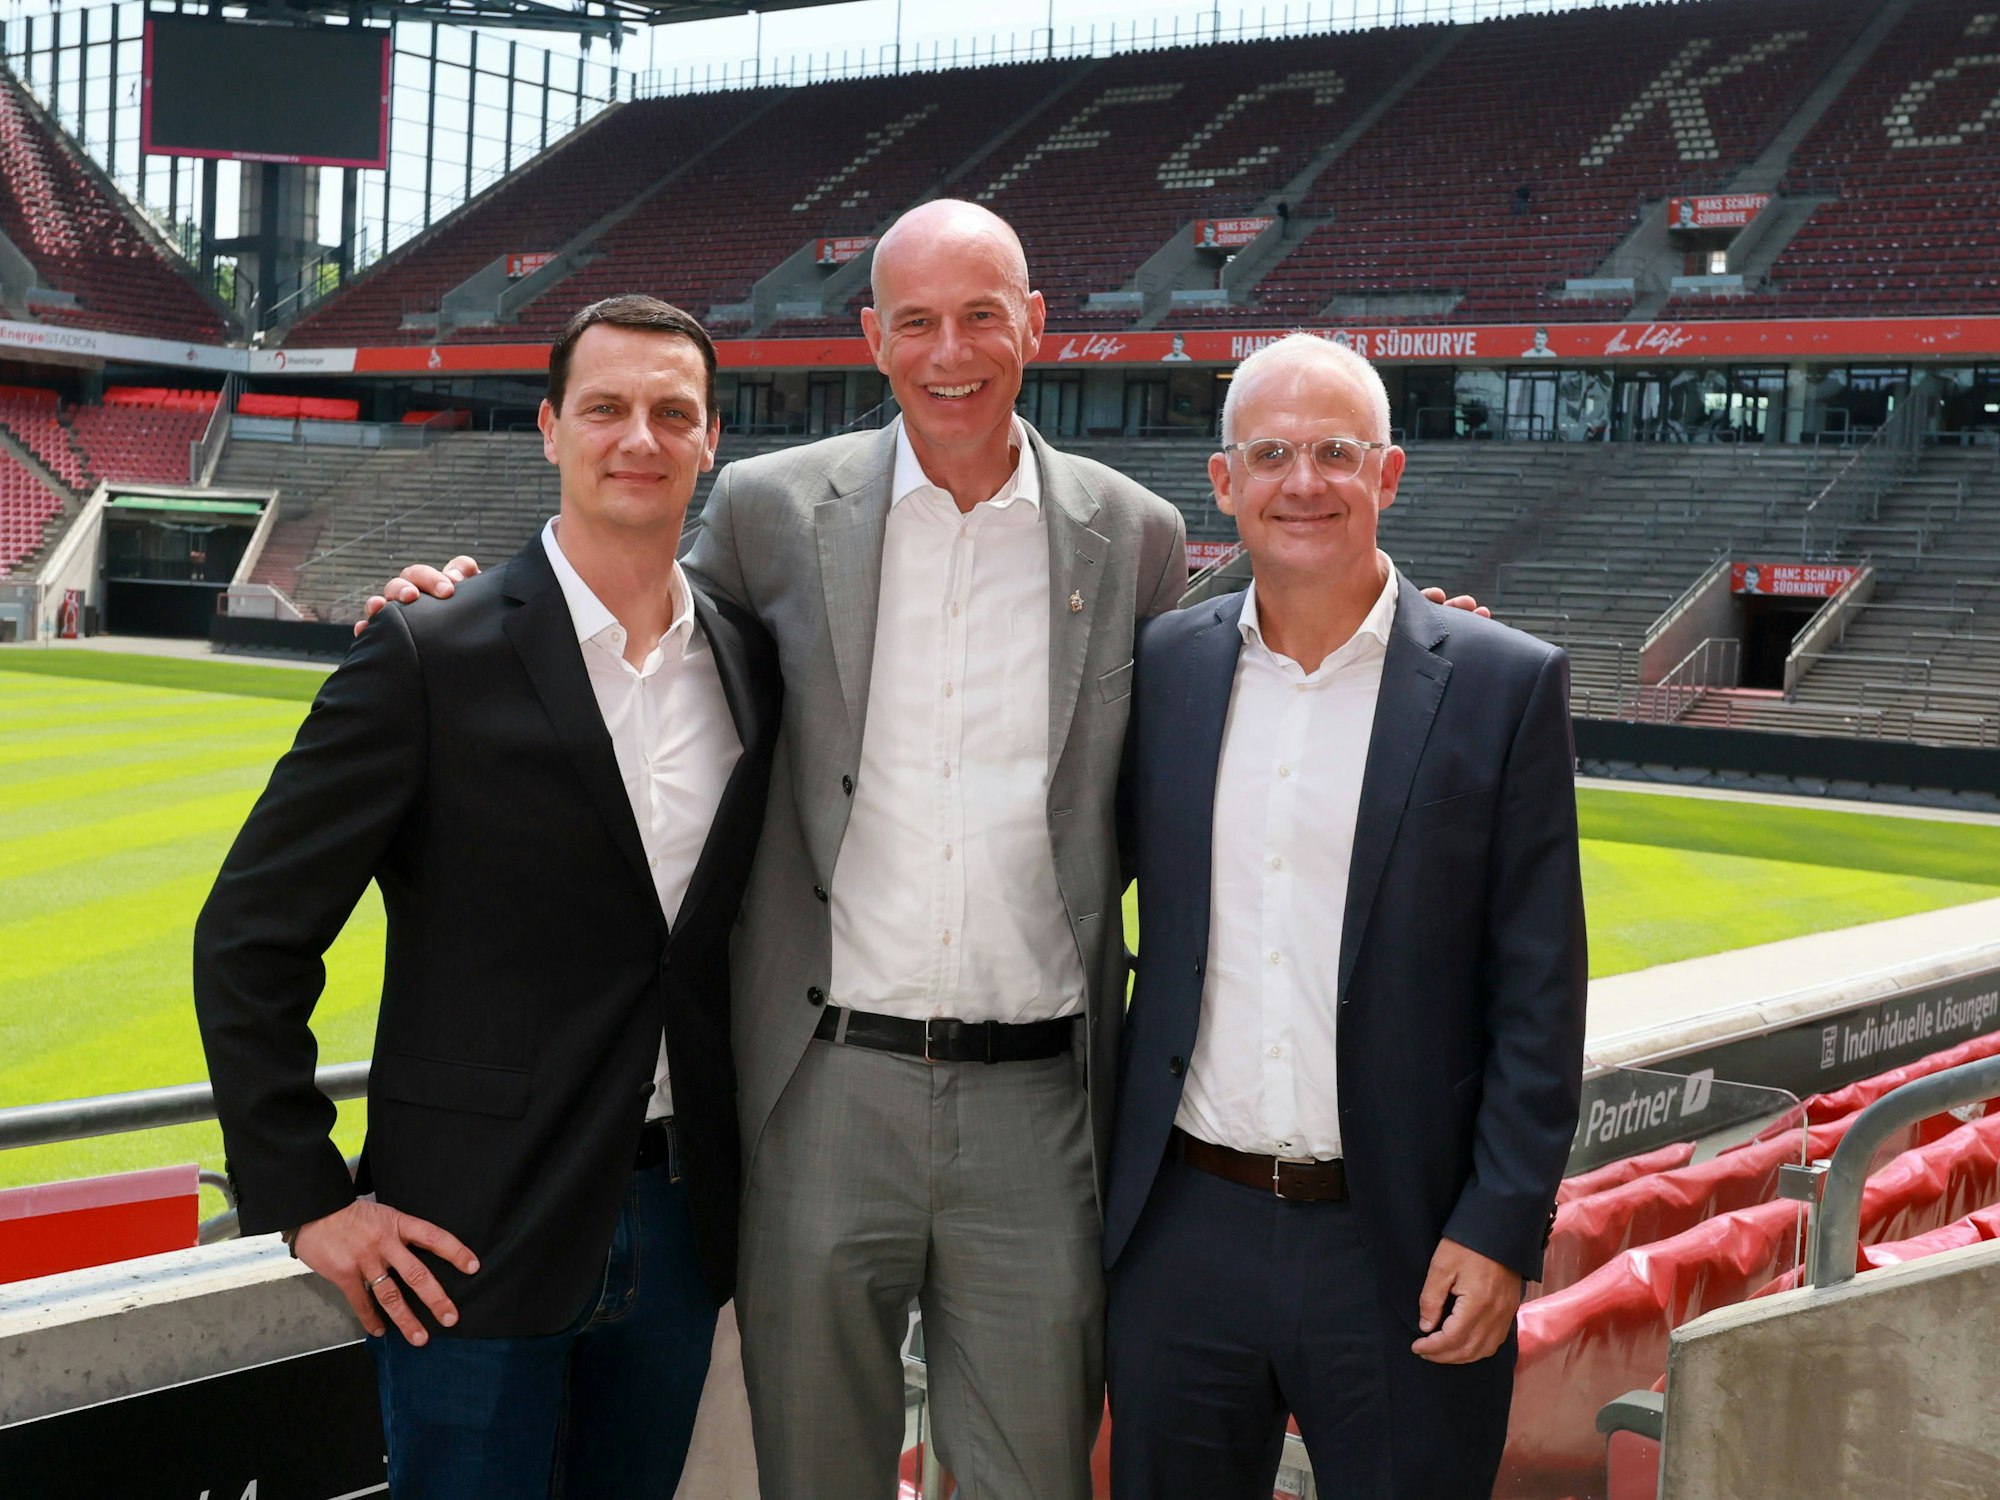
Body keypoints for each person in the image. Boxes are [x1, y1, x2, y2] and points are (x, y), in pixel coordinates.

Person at [194, 295, 780, 1499]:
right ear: (551, 428)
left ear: (710, 441)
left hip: (680, 1227)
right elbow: (248, 936)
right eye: (607, 408)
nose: (640, 438)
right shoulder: (427, 651)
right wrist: (308, 1201)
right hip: (470, 1233)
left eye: (673, 414)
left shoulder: (749, 662)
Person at [1102, 333, 1587, 1499]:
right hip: (1181, 1229)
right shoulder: (1161, 667)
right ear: (1223, 483)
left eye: (1334, 451)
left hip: (1405, 1241)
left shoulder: (1500, 681)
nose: (1302, 482)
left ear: (1389, 473)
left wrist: (1499, 1228)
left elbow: (1538, 988)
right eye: (1269, 454)